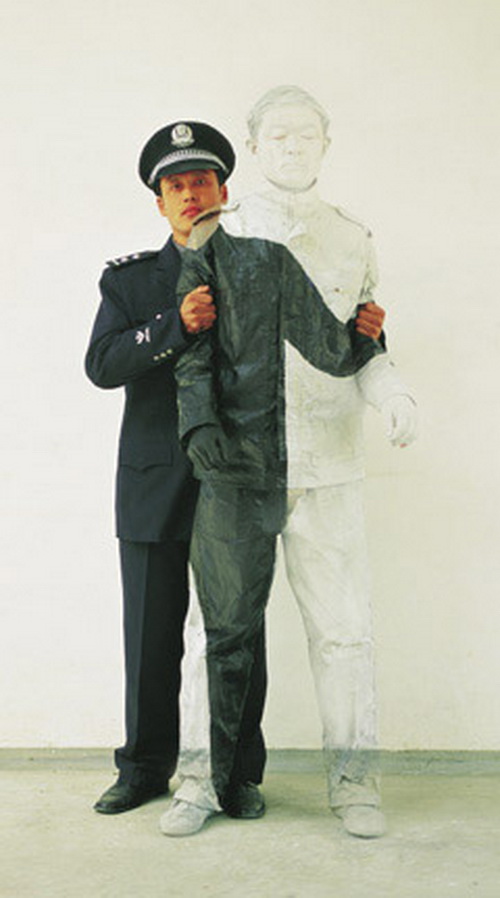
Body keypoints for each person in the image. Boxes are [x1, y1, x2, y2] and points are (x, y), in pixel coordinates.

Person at [173, 87, 417, 839]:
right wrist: (199, 425)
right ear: (252, 147)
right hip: (237, 469)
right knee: (217, 634)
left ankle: (355, 781)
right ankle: (198, 781)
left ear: (326, 144)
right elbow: (194, 350)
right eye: (276, 135)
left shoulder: (353, 239)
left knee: (346, 634)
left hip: (330, 467)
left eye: (305, 135)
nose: (291, 147)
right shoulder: (218, 234)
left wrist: (392, 391)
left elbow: (363, 345)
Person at [85, 122, 269, 816]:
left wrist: (367, 336)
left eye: (201, 181)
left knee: (237, 636)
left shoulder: (260, 271)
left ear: (223, 191)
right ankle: (142, 770)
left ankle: (236, 775)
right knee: (150, 636)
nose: (190, 194)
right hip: (154, 482)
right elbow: (102, 364)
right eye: (176, 186)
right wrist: (175, 324)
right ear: (159, 203)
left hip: (236, 481)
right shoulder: (131, 281)